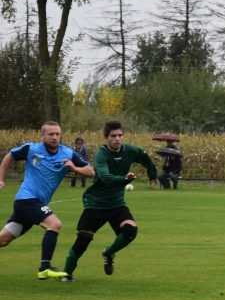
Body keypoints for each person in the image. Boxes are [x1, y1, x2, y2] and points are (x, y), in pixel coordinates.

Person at [59, 120, 158, 283]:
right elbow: (104, 177)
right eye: (113, 136)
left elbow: (144, 155)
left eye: (120, 135)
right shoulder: (101, 154)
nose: (117, 139)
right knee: (83, 239)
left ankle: (108, 253)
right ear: (106, 138)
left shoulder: (130, 151)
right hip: (96, 203)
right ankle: (66, 273)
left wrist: (153, 174)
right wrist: (124, 180)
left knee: (130, 232)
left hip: (116, 203)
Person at [0, 122, 94, 280]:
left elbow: (91, 171)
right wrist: (1, 179)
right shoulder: (31, 149)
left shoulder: (67, 153)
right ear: (42, 136)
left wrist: (74, 168)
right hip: (27, 200)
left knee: (2, 240)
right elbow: (9, 156)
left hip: (32, 205)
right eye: (51, 134)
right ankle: (44, 267)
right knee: (54, 224)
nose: (55, 137)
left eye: (57, 134)